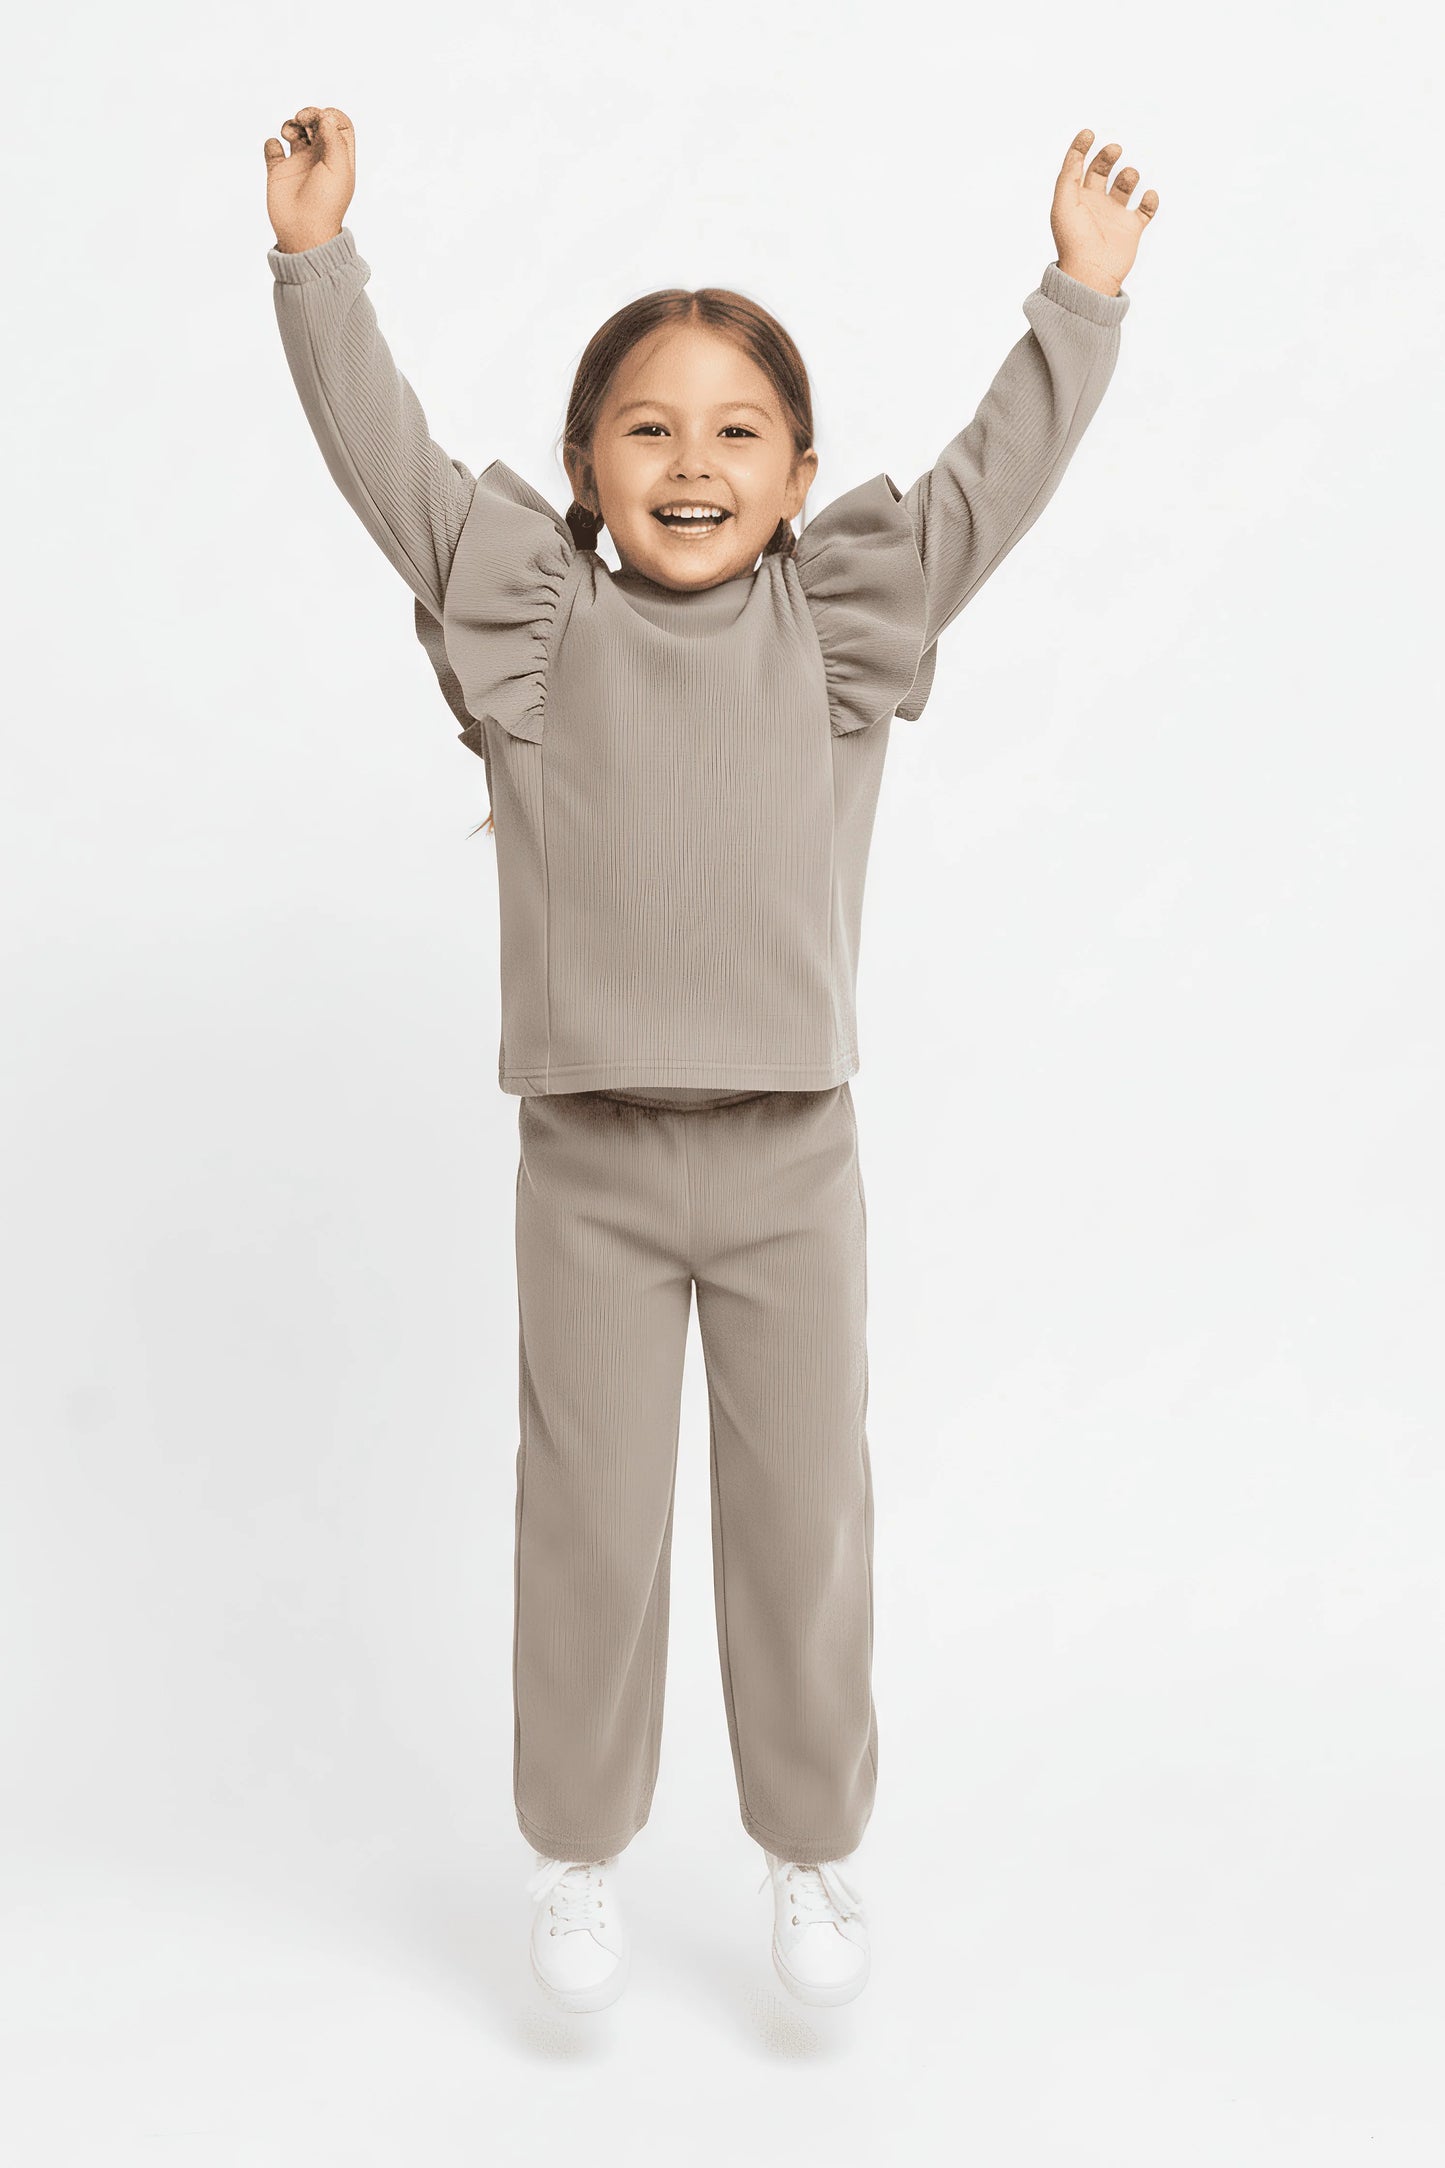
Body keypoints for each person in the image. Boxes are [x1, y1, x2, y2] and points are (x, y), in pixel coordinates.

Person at [262, 104, 1158, 2015]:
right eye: (648, 429)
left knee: (800, 1514)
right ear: (585, 464)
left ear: (799, 469)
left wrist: (1077, 300)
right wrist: (316, 265)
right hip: (585, 1166)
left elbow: (990, 488)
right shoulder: (532, 619)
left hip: (789, 1168)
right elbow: (390, 473)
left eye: (736, 430)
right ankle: (577, 1854)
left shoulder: (839, 626)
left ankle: (811, 1851)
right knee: (584, 1514)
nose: (692, 460)